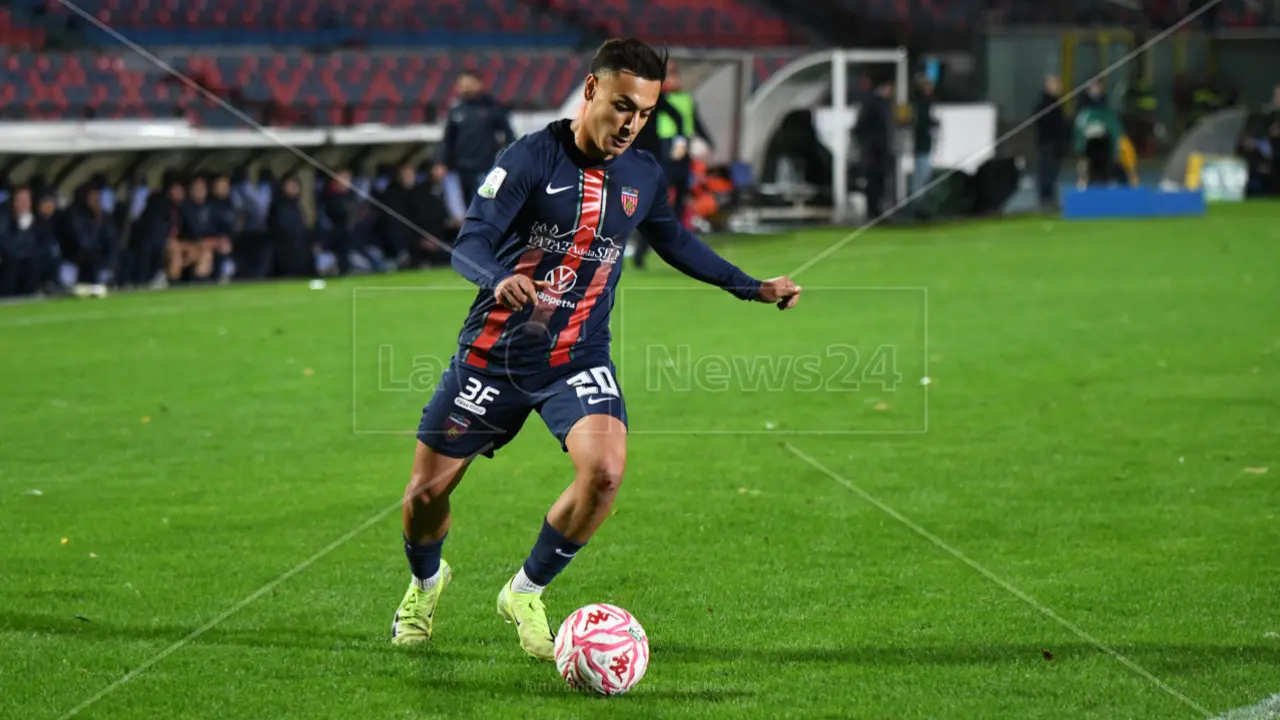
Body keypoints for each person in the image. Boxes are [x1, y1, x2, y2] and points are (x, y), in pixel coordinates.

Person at [391, 37, 802, 659]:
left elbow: (675, 242)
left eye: (645, 113)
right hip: (494, 358)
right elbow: (469, 241)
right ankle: (425, 583)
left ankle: (524, 592)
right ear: (591, 91)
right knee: (425, 496)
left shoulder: (642, 174)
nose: (632, 124)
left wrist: (752, 287)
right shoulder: (529, 158)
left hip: (577, 358)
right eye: (622, 106)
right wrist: (497, 278)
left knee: (605, 472)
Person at [434, 72, 516, 201]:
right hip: (462, 167)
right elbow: (448, 139)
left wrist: (511, 158)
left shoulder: (492, 107)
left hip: (487, 165)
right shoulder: (455, 110)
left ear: (479, 84)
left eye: (469, 83)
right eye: (463, 83)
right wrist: (441, 162)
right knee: (467, 202)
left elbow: (508, 134)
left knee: (483, 200)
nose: (466, 87)